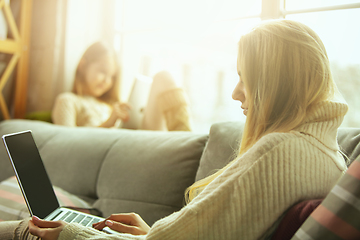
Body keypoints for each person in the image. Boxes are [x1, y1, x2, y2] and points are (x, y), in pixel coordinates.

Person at [0, 19, 348, 240]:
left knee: (28, 229)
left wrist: (76, 236)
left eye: (246, 78)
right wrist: (150, 232)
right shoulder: (332, 158)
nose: (235, 93)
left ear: (276, 83)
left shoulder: (278, 152)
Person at [51, 41, 191, 131]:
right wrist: (108, 123)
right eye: (102, 72)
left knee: (163, 77)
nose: (107, 80)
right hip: (121, 149)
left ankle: (185, 136)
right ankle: (186, 141)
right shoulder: (68, 100)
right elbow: (66, 143)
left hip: (132, 137)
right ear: (83, 65)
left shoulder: (110, 105)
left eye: (112, 77)